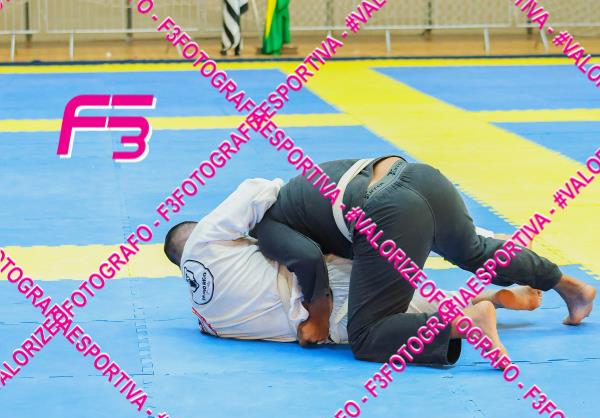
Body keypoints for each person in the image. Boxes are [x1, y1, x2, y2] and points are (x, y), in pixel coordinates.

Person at [163, 178, 545, 367]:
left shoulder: (205, 320)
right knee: (397, 286)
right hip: (321, 285)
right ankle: (479, 299)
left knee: (396, 314)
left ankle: (477, 309)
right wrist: (277, 219)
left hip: (318, 317)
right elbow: (258, 188)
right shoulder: (205, 238)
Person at [250, 156, 596, 363]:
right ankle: (571, 287)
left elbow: (307, 257)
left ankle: (468, 321)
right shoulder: (296, 190)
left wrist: (318, 316)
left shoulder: (265, 227)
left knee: (367, 335)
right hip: (420, 176)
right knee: (475, 251)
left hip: (387, 209)